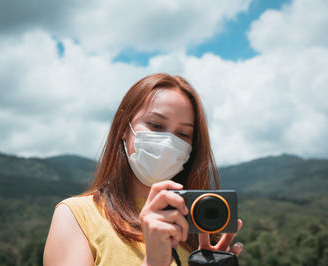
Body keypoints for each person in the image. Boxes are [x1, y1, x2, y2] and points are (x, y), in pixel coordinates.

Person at [43, 73, 244, 266]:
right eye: (156, 125)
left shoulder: (201, 227)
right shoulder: (78, 216)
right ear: (124, 127)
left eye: (183, 134)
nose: (168, 141)